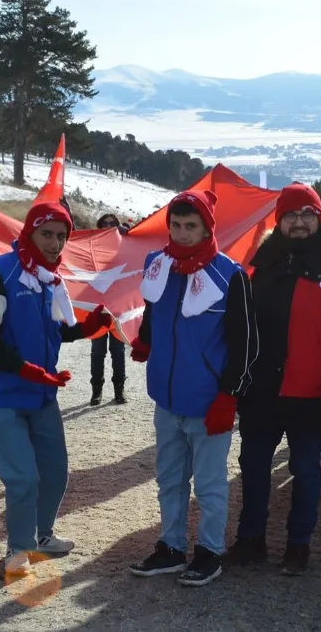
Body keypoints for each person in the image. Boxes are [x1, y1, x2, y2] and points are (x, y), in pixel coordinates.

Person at [0, 201, 114, 575]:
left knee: (55, 470)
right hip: (2, 392)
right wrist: (26, 370)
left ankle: (42, 535)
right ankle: (18, 549)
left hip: (41, 391)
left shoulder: (49, 277)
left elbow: (54, 330)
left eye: (62, 236)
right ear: (29, 232)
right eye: (46, 234)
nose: (54, 243)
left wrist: (86, 327)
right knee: (23, 476)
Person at [226, 184, 321, 576]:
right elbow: (244, 330)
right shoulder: (262, 263)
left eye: (307, 215)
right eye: (291, 216)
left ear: (319, 218)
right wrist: (237, 383)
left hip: (310, 392)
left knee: (305, 472)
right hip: (262, 392)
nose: (300, 223)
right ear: (279, 221)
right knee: (253, 467)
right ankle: (250, 539)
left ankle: (297, 546)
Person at [128, 189, 257, 587]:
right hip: (167, 400)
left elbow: (247, 343)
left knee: (210, 483)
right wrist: (147, 339)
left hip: (208, 403)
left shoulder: (230, 275)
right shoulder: (157, 265)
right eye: (177, 225)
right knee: (169, 478)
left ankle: (209, 551)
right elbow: (153, 307)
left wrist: (229, 396)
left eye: (191, 226)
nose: (182, 234)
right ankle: (171, 546)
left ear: (207, 228)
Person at [88, 214, 129, 405]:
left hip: (117, 309)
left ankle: (119, 390)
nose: (109, 226)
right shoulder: (92, 247)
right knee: (97, 351)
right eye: (105, 223)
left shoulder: (123, 246)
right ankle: (97, 389)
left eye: (113, 224)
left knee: (118, 351)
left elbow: (135, 247)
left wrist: (127, 233)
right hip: (97, 309)